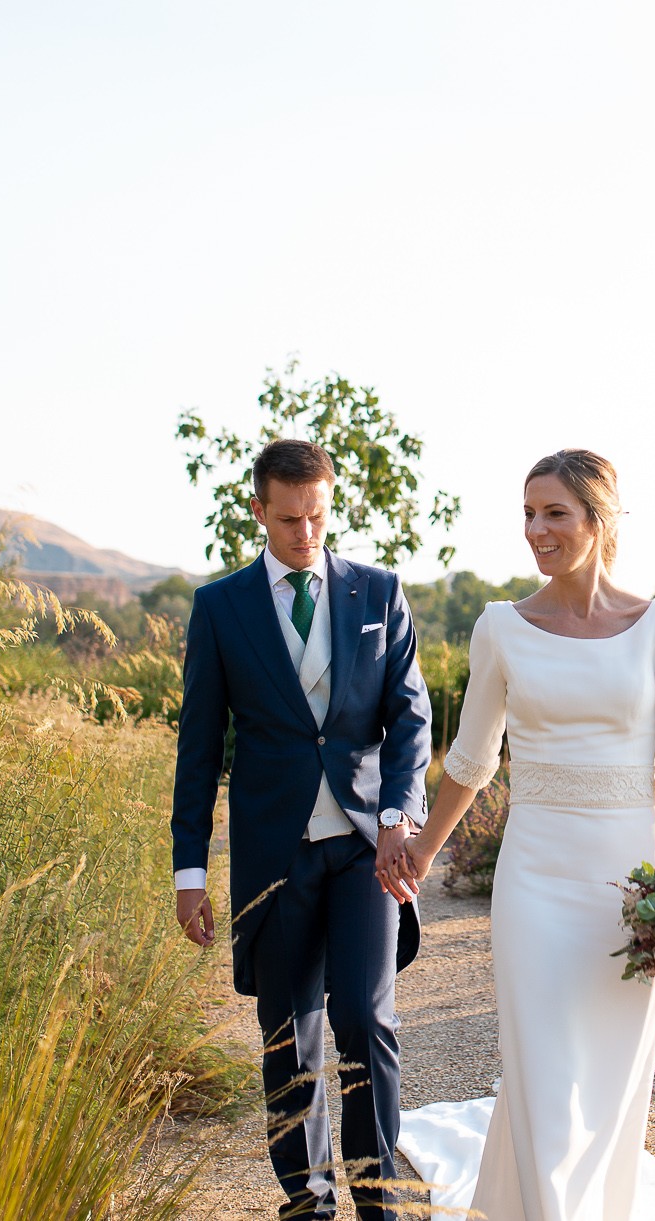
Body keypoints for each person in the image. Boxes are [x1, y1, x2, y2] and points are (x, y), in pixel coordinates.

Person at [392, 448, 655, 1221]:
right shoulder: (502, 627)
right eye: (528, 513)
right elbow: (472, 760)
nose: (536, 528)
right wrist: (423, 850)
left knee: (607, 1074)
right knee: (539, 1071)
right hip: (534, 880)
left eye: (554, 512)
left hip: (631, 889)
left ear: (599, 519)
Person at [172, 438, 432, 1221]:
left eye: (317, 516)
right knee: (289, 1034)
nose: (306, 533)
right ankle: (308, 1206)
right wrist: (190, 872)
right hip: (273, 852)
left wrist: (398, 816)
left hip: (365, 848)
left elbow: (410, 718)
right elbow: (199, 749)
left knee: (365, 1017)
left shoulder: (379, 592)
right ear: (259, 510)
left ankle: (380, 1205)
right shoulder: (220, 608)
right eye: (289, 519)